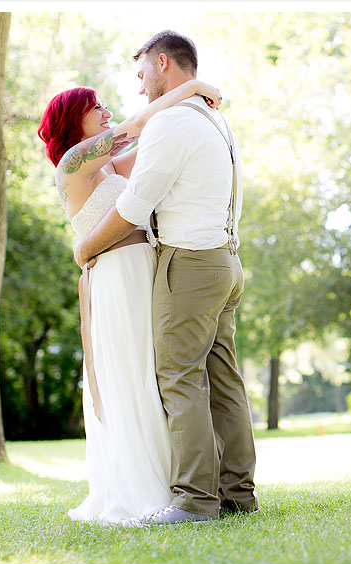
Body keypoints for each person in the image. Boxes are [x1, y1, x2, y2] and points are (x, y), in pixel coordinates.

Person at [73, 30, 259, 525]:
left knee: (179, 378)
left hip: (191, 265)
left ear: (161, 64)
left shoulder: (172, 122)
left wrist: (86, 247)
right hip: (227, 261)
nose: (138, 89)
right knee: (223, 380)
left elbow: (134, 207)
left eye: (141, 76)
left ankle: (195, 502)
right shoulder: (215, 121)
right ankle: (238, 492)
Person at [38, 70, 223, 526]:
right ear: (72, 121)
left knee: (156, 371)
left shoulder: (107, 167)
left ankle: (184, 483)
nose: (104, 112)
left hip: (146, 270)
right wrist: (192, 88)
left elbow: (158, 147)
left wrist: (194, 117)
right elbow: (138, 125)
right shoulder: (74, 164)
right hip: (118, 278)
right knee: (133, 375)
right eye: (94, 107)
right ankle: (148, 490)